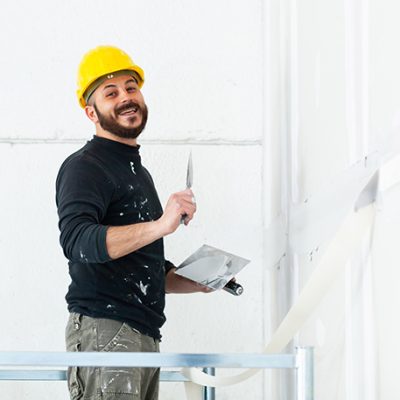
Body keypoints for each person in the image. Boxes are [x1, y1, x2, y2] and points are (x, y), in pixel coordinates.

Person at [56, 45, 211, 400]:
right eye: (111, 93)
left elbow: (140, 270)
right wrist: (161, 225)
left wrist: (201, 278)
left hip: (142, 333)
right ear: (91, 112)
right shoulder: (85, 167)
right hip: (105, 330)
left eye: (131, 88)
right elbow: (78, 241)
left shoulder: (138, 174)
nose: (126, 97)